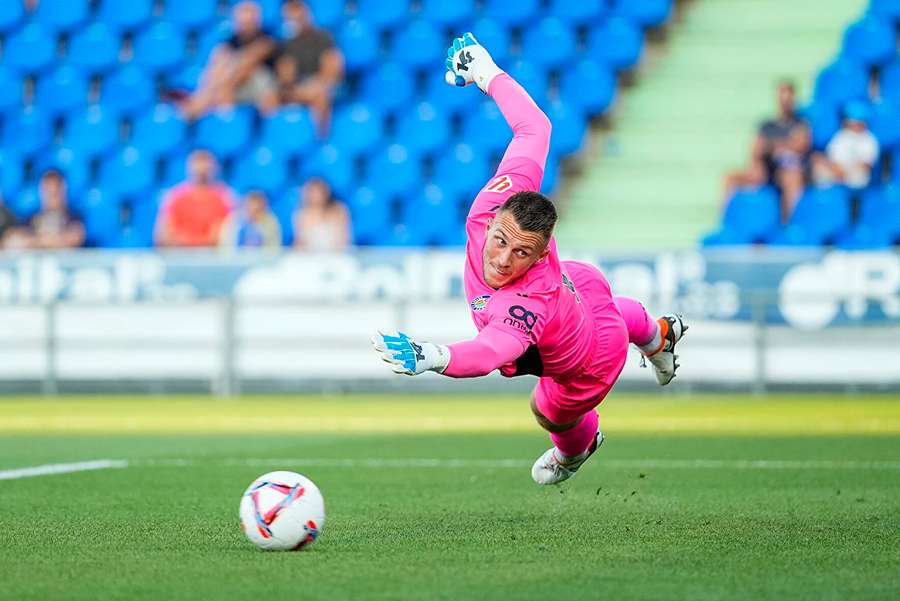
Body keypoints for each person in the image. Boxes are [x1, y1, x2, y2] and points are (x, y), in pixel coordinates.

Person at [371, 34, 688, 486]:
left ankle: (578, 450)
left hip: (588, 360)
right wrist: (485, 71)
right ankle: (658, 336)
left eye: (521, 253)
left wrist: (435, 356)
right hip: (579, 295)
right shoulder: (496, 200)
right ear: (495, 217)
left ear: (542, 254)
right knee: (610, 312)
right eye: (500, 240)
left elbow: (490, 352)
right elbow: (535, 128)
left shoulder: (525, 299)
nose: (501, 259)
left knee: (548, 410)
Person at [722, 81, 810, 222]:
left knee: (792, 178)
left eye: (788, 96)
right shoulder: (766, 125)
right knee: (730, 178)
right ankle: (727, 222)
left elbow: (801, 145)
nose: (784, 101)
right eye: (782, 96)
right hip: (767, 169)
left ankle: (790, 225)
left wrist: (772, 145)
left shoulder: (801, 123)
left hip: (790, 170)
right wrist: (765, 155)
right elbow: (756, 148)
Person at [180, 1, 279, 120]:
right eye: (242, 16)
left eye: (249, 16)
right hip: (231, 87)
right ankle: (199, 107)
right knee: (220, 58)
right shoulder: (228, 44)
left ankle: (203, 105)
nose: (245, 21)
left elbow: (248, 63)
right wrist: (212, 88)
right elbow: (215, 68)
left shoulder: (267, 40)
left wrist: (224, 87)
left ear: (257, 19)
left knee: (245, 65)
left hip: (260, 90)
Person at [275, 0, 344, 134]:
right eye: (290, 13)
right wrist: (287, 78)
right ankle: (275, 140)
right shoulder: (285, 44)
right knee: (269, 98)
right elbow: (285, 77)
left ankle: (318, 138)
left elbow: (332, 69)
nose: (295, 16)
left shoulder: (324, 37)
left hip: (320, 86)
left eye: (298, 10)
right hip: (296, 88)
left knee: (319, 95)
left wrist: (318, 84)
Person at [155, 150, 234, 247]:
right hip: (179, 256)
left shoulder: (225, 197)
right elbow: (164, 235)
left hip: (213, 257)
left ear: (215, 167)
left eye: (205, 162)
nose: (201, 168)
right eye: (197, 162)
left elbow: (225, 234)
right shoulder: (175, 196)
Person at [5, 170, 85, 249]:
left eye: (56, 191)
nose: (52, 194)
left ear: (64, 190)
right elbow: (12, 241)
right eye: (48, 191)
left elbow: (74, 239)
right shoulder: (32, 218)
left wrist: (35, 240)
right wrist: (50, 240)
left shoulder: (73, 217)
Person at [811, 101, 880, 191]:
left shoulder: (869, 139)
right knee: (818, 167)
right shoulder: (841, 135)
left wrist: (843, 172)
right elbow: (830, 157)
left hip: (853, 175)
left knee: (859, 176)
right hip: (835, 171)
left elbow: (866, 165)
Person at [292, 178, 351, 251]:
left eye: (317, 192)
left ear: (325, 192)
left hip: (336, 255)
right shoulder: (301, 214)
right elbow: (299, 241)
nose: (315, 195)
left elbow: (344, 239)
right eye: (311, 192)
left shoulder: (339, 210)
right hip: (309, 256)